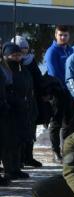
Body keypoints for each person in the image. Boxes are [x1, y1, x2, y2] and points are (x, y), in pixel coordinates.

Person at [1, 43, 35, 180]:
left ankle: (16, 168)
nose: (16, 58)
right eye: (13, 55)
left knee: (18, 141)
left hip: (22, 110)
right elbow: (6, 89)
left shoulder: (23, 69)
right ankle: (9, 169)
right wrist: (15, 101)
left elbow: (29, 87)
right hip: (9, 111)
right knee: (8, 143)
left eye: (18, 55)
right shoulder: (6, 69)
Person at [12, 35, 45, 169]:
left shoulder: (30, 61)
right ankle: (18, 159)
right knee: (19, 131)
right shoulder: (13, 62)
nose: (24, 51)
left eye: (26, 48)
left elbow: (38, 79)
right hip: (18, 100)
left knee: (30, 130)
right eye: (21, 49)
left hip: (32, 99)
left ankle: (28, 157)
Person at [44, 25, 74, 163]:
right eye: (60, 35)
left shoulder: (70, 50)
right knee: (56, 123)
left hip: (70, 92)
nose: (63, 37)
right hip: (57, 91)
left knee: (68, 123)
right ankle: (55, 152)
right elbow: (55, 73)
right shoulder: (52, 52)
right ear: (56, 35)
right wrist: (68, 85)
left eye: (65, 35)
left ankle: (66, 150)